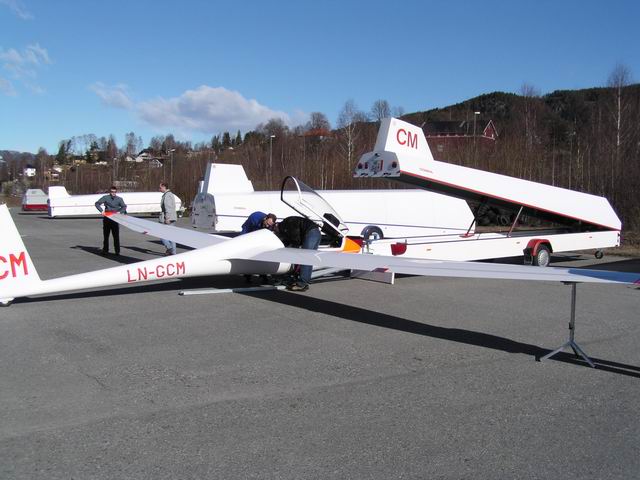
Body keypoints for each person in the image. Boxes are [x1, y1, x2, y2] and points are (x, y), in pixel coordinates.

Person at [274, 216, 321, 291]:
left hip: (310, 232)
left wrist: (293, 248)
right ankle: (305, 282)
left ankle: (301, 284)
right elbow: (293, 238)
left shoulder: (285, 225)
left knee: (305, 259)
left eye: (276, 232)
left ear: (276, 226)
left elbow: (296, 238)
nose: (277, 234)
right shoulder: (286, 225)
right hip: (316, 232)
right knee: (309, 259)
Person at [95, 186, 127, 255]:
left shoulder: (119, 199)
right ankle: (105, 250)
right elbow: (97, 203)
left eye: (115, 192)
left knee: (116, 236)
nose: (113, 193)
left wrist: (120, 212)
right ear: (110, 192)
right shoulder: (105, 197)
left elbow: (124, 206)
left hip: (115, 219)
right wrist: (101, 211)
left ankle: (117, 251)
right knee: (106, 236)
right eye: (112, 192)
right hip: (107, 218)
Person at [159, 182, 178, 255]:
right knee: (172, 236)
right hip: (171, 218)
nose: (159, 189)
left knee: (161, 234)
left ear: (164, 187)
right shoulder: (169, 194)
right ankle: (173, 253)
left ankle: (170, 248)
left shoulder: (167, 195)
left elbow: (168, 208)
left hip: (168, 219)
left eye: (160, 187)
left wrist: (168, 218)